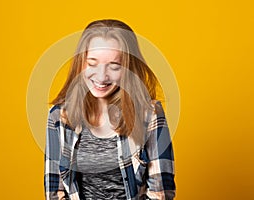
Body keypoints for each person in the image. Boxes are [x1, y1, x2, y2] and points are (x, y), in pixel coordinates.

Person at [44, 19, 176, 200]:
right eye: (92, 63)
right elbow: (54, 193)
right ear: (80, 63)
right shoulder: (59, 116)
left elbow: (161, 194)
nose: (101, 75)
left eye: (114, 66)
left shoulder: (150, 114)